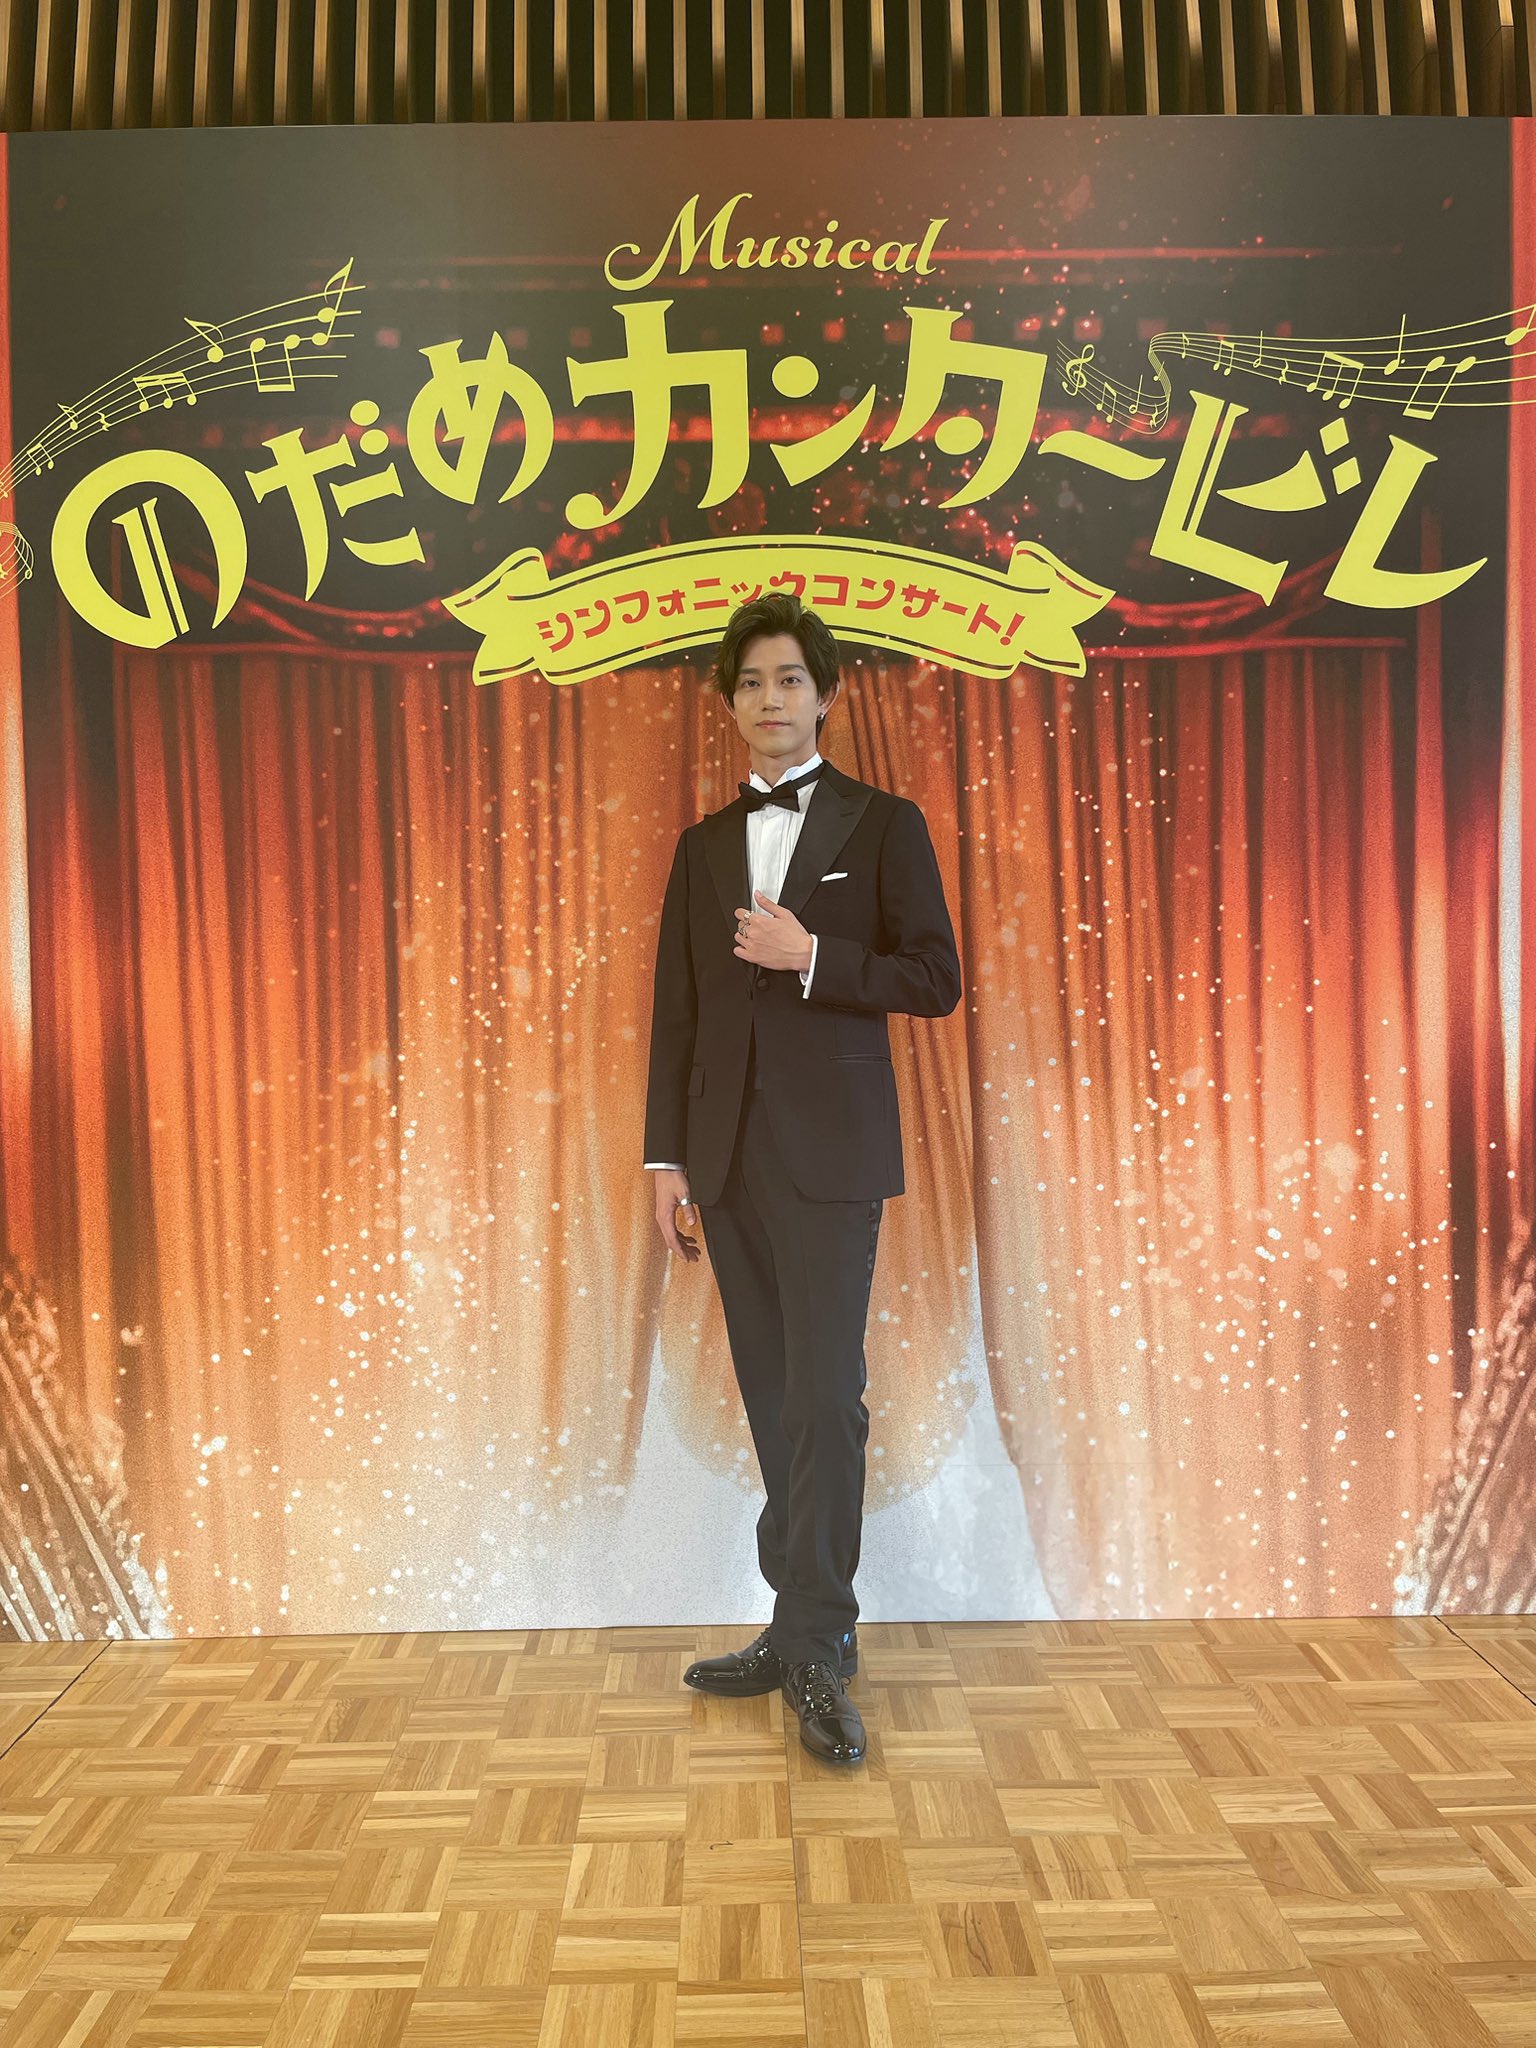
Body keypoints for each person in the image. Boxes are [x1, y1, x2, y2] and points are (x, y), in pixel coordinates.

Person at [642, 592, 961, 1765]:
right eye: (750, 682)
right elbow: (676, 1013)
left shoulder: (885, 824)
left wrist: (813, 954)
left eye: (788, 679)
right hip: (724, 1158)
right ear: (729, 703)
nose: (769, 699)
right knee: (778, 1393)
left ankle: (818, 1639)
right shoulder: (699, 849)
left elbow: (935, 977)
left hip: (831, 1156)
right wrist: (666, 1157)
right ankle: (800, 1623)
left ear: (825, 694)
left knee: (827, 1395)